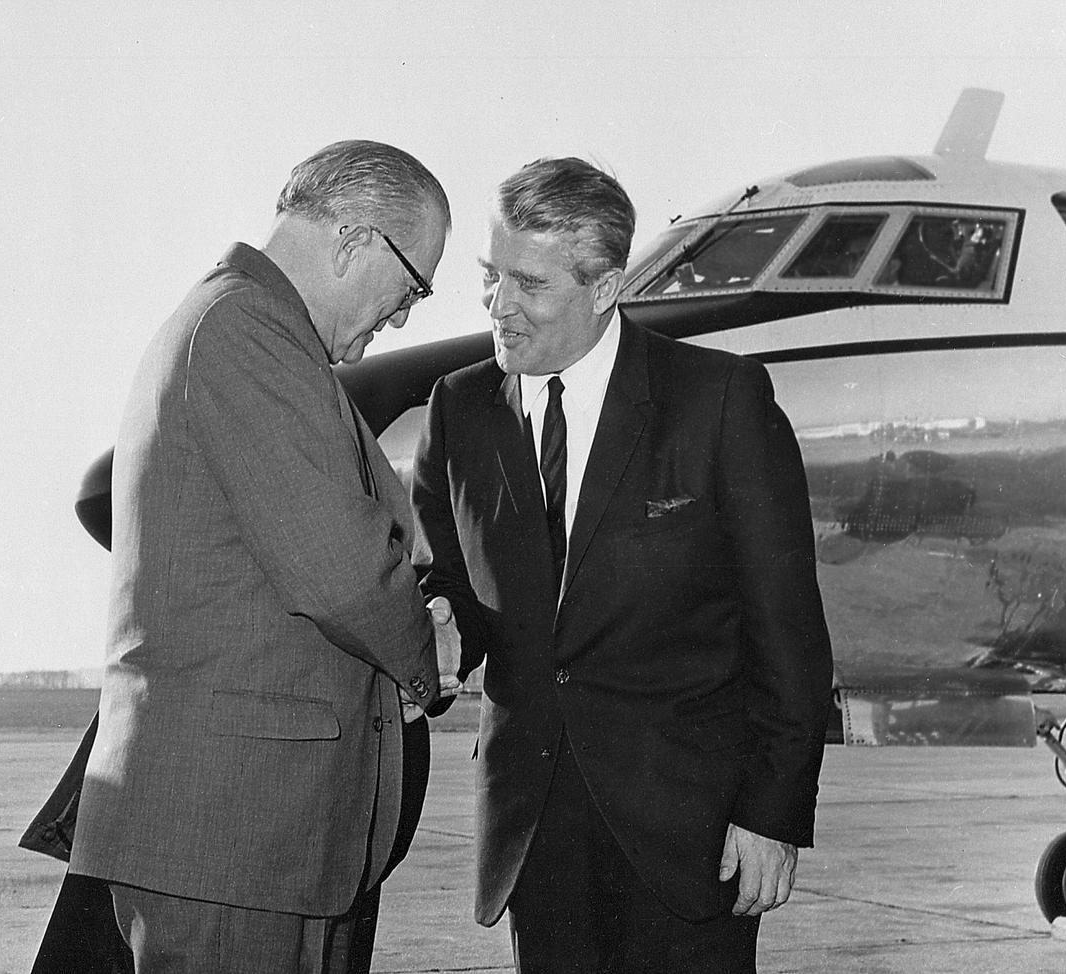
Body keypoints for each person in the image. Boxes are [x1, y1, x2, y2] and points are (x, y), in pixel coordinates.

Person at [411, 158, 834, 973]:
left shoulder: (718, 399)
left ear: (605, 288)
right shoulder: (458, 408)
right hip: (534, 834)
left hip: (691, 835)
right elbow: (450, 583)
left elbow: (788, 630)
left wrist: (773, 814)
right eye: (491, 275)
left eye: (529, 284)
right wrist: (441, 628)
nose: (498, 306)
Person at [68, 139, 456, 974]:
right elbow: (341, 572)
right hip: (233, 846)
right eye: (412, 287)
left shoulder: (241, 323)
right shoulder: (247, 330)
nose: (402, 318)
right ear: (354, 241)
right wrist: (431, 650)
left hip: (249, 845)